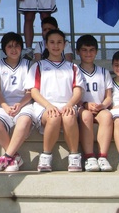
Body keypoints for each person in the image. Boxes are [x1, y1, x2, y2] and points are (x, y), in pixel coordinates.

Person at [25, 29, 85, 172]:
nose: (56, 46)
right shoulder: (38, 66)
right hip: (44, 106)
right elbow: (33, 91)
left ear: (65, 45)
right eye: (52, 42)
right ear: (46, 45)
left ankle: (74, 155)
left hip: (67, 104)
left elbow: (78, 90)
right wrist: (48, 105)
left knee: (69, 117)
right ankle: (46, 155)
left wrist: (70, 104)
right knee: (53, 117)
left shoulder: (73, 67)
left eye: (59, 42)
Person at [0, 32, 34, 172]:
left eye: (17, 46)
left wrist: (20, 104)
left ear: (21, 47)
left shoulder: (29, 64)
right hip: (3, 105)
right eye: (10, 46)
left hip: (25, 104)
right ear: (4, 49)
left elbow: (31, 91)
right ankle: (15, 158)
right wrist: (6, 107)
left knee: (24, 120)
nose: (14, 49)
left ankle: (6, 157)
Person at [76, 35, 113, 172]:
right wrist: (84, 104)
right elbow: (71, 95)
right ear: (77, 52)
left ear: (96, 51)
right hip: (81, 108)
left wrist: (102, 105)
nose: (88, 53)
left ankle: (103, 156)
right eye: (84, 50)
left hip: (99, 107)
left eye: (91, 50)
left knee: (107, 116)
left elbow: (109, 97)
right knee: (86, 116)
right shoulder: (74, 71)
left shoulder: (104, 72)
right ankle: (90, 156)